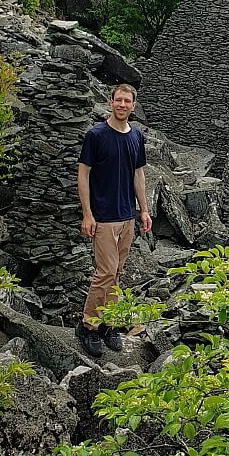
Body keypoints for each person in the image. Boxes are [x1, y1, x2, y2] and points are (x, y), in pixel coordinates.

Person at [75, 82, 152, 357]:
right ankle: (89, 326)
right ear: (111, 102)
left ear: (133, 106)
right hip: (104, 216)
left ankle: (108, 323)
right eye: (118, 100)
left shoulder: (136, 137)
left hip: (127, 215)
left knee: (117, 272)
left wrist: (143, 210)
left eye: (127, 101)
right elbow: (83, 174)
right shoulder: (96, 135)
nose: (122, 105)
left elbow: (138, 175)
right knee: (105, 272)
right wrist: (87, 214)